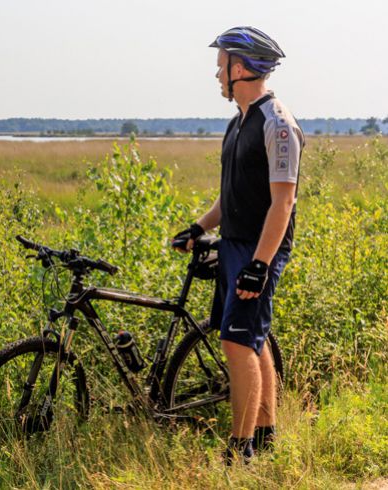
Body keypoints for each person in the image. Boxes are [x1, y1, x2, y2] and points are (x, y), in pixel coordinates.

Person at [171, 26, 303, 464]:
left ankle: (238, 451)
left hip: (258, 249)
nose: (216, 76)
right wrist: (198, 226)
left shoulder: (277, 124)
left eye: (220, 67)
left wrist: (260, 265)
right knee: (253, 340)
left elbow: (283, 202)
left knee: (237, 342)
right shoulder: (239, 121)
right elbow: (232, 196)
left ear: (240, 69)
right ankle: (264, 437)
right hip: (234, 245)